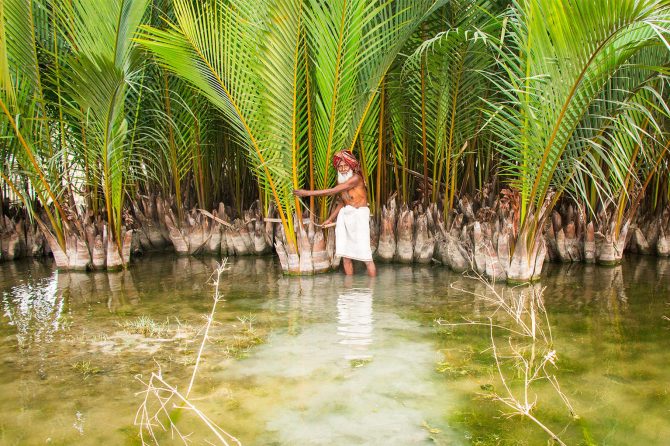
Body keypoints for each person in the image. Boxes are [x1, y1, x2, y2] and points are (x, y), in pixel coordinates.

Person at [293, 150, 377, 277]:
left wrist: (307, 193)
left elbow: (333, 191)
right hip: (346, 217)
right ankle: (348, 293)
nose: (343, 169)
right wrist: (330, 219)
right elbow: (343, 203)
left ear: (351, 166)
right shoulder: (341, 181)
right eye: (340, 166)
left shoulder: (355, 178)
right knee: (346, 256)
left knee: (366, 257)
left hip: (359, 218)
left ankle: (372, 288)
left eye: (345, 165)